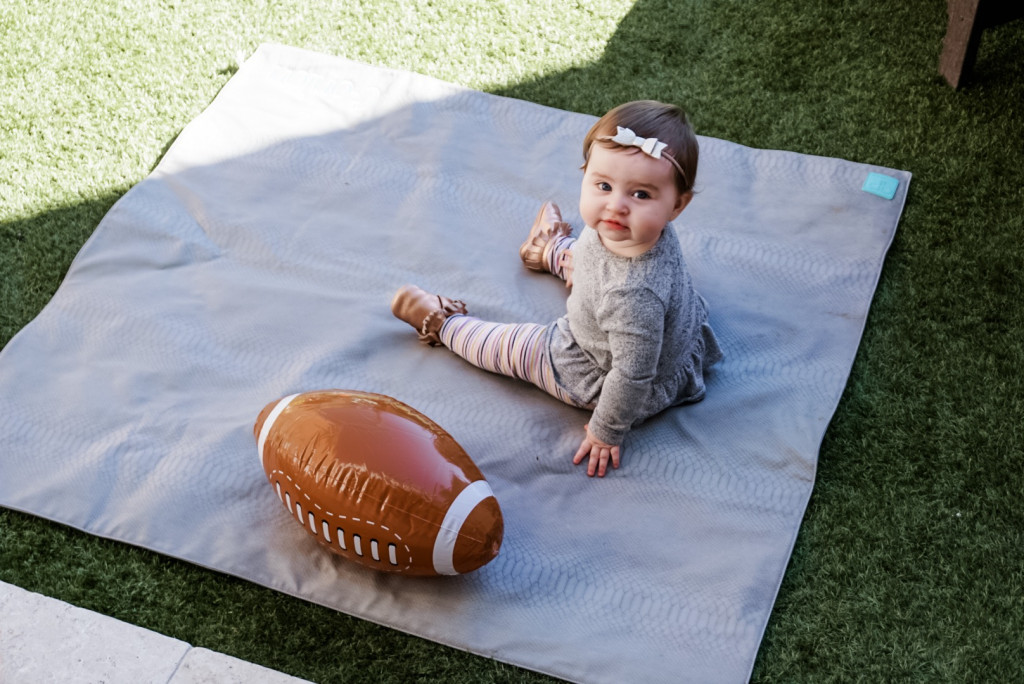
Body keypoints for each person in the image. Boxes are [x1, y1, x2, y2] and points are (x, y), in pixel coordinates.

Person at [390, 100, 723, 477]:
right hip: (620, 303)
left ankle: (444, 324)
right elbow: (601, 253)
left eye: (641, 194)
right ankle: (548, 250)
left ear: (677, 205)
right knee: (589, 249)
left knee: (516, 348)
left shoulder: (635, 298)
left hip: (598, 366)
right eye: (603, 185)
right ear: (585, 174)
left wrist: (606, 431)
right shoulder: (638, 231)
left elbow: (631, 376)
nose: (616, 206)